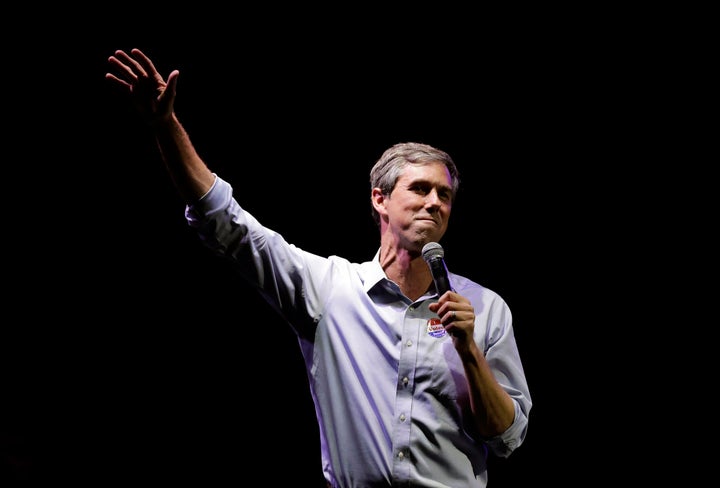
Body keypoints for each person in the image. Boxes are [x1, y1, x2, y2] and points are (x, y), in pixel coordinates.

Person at [105, 48, 532, 488]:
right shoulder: (330, 290)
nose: (434, 203)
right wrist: (166, 126)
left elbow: (508, 437)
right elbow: (228, 226)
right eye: (420, 189)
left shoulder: (486, 308)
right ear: (379, 199)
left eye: (445, 196)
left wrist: (468, 350)